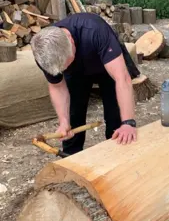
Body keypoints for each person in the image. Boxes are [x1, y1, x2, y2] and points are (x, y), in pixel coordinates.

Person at [31, 13, 137, 155]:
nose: (63, 69)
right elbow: (57, 86)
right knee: (73, 117)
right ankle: (70, 159)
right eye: (62, 68)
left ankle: (118, 153)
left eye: (66, 63)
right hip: (77, 73)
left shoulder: (94, 30)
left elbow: (122, 78)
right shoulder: (44, 53)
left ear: (71, 40)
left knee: (115, 115)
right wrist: (63, 121)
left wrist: (128, 123)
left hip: (107, 65)